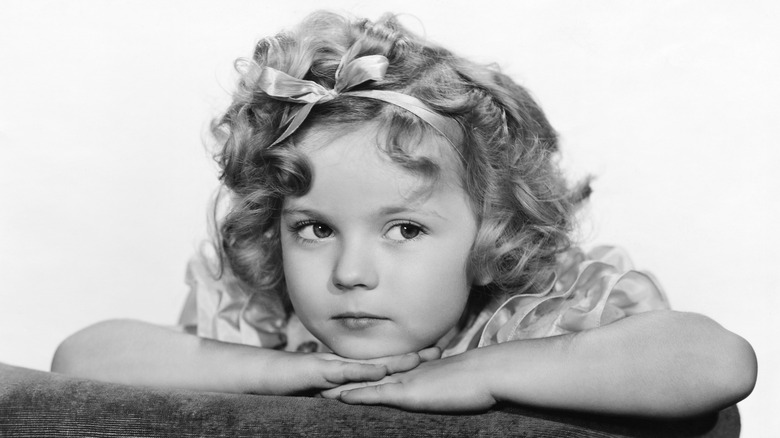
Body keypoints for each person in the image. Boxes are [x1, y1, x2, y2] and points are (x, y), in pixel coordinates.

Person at [51, 11, 756, 417]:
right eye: (315, 228)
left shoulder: (526, 316)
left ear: (491, 228)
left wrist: (486, 374)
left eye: (406, 229)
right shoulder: (268, 318)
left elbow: (716, 363)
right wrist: (270, 371)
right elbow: (81, 358)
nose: (352, 272)